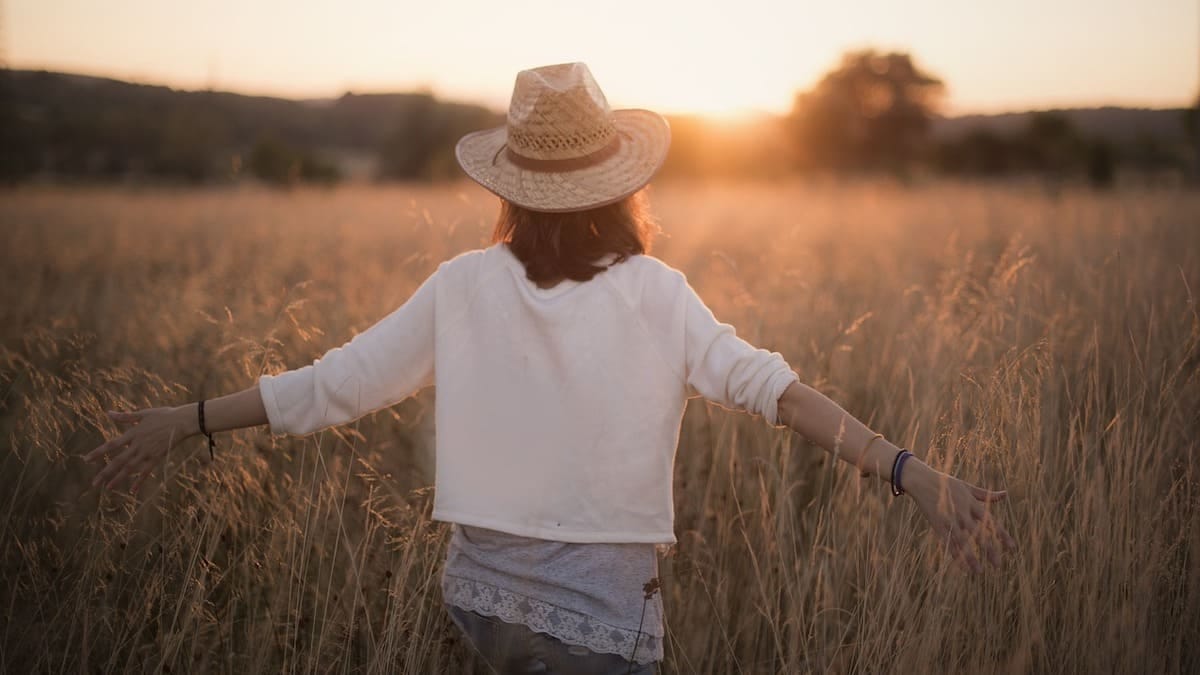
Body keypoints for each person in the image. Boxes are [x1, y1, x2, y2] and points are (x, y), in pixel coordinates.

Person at [84, 63, 1016, 674]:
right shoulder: (657, 293)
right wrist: (909, 470)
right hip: (602, 627)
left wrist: (187, 420)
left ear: (515, 188)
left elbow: (333, 384)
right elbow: (779, 393)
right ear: (623, 183)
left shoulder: (460, 284)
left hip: (479, 609)